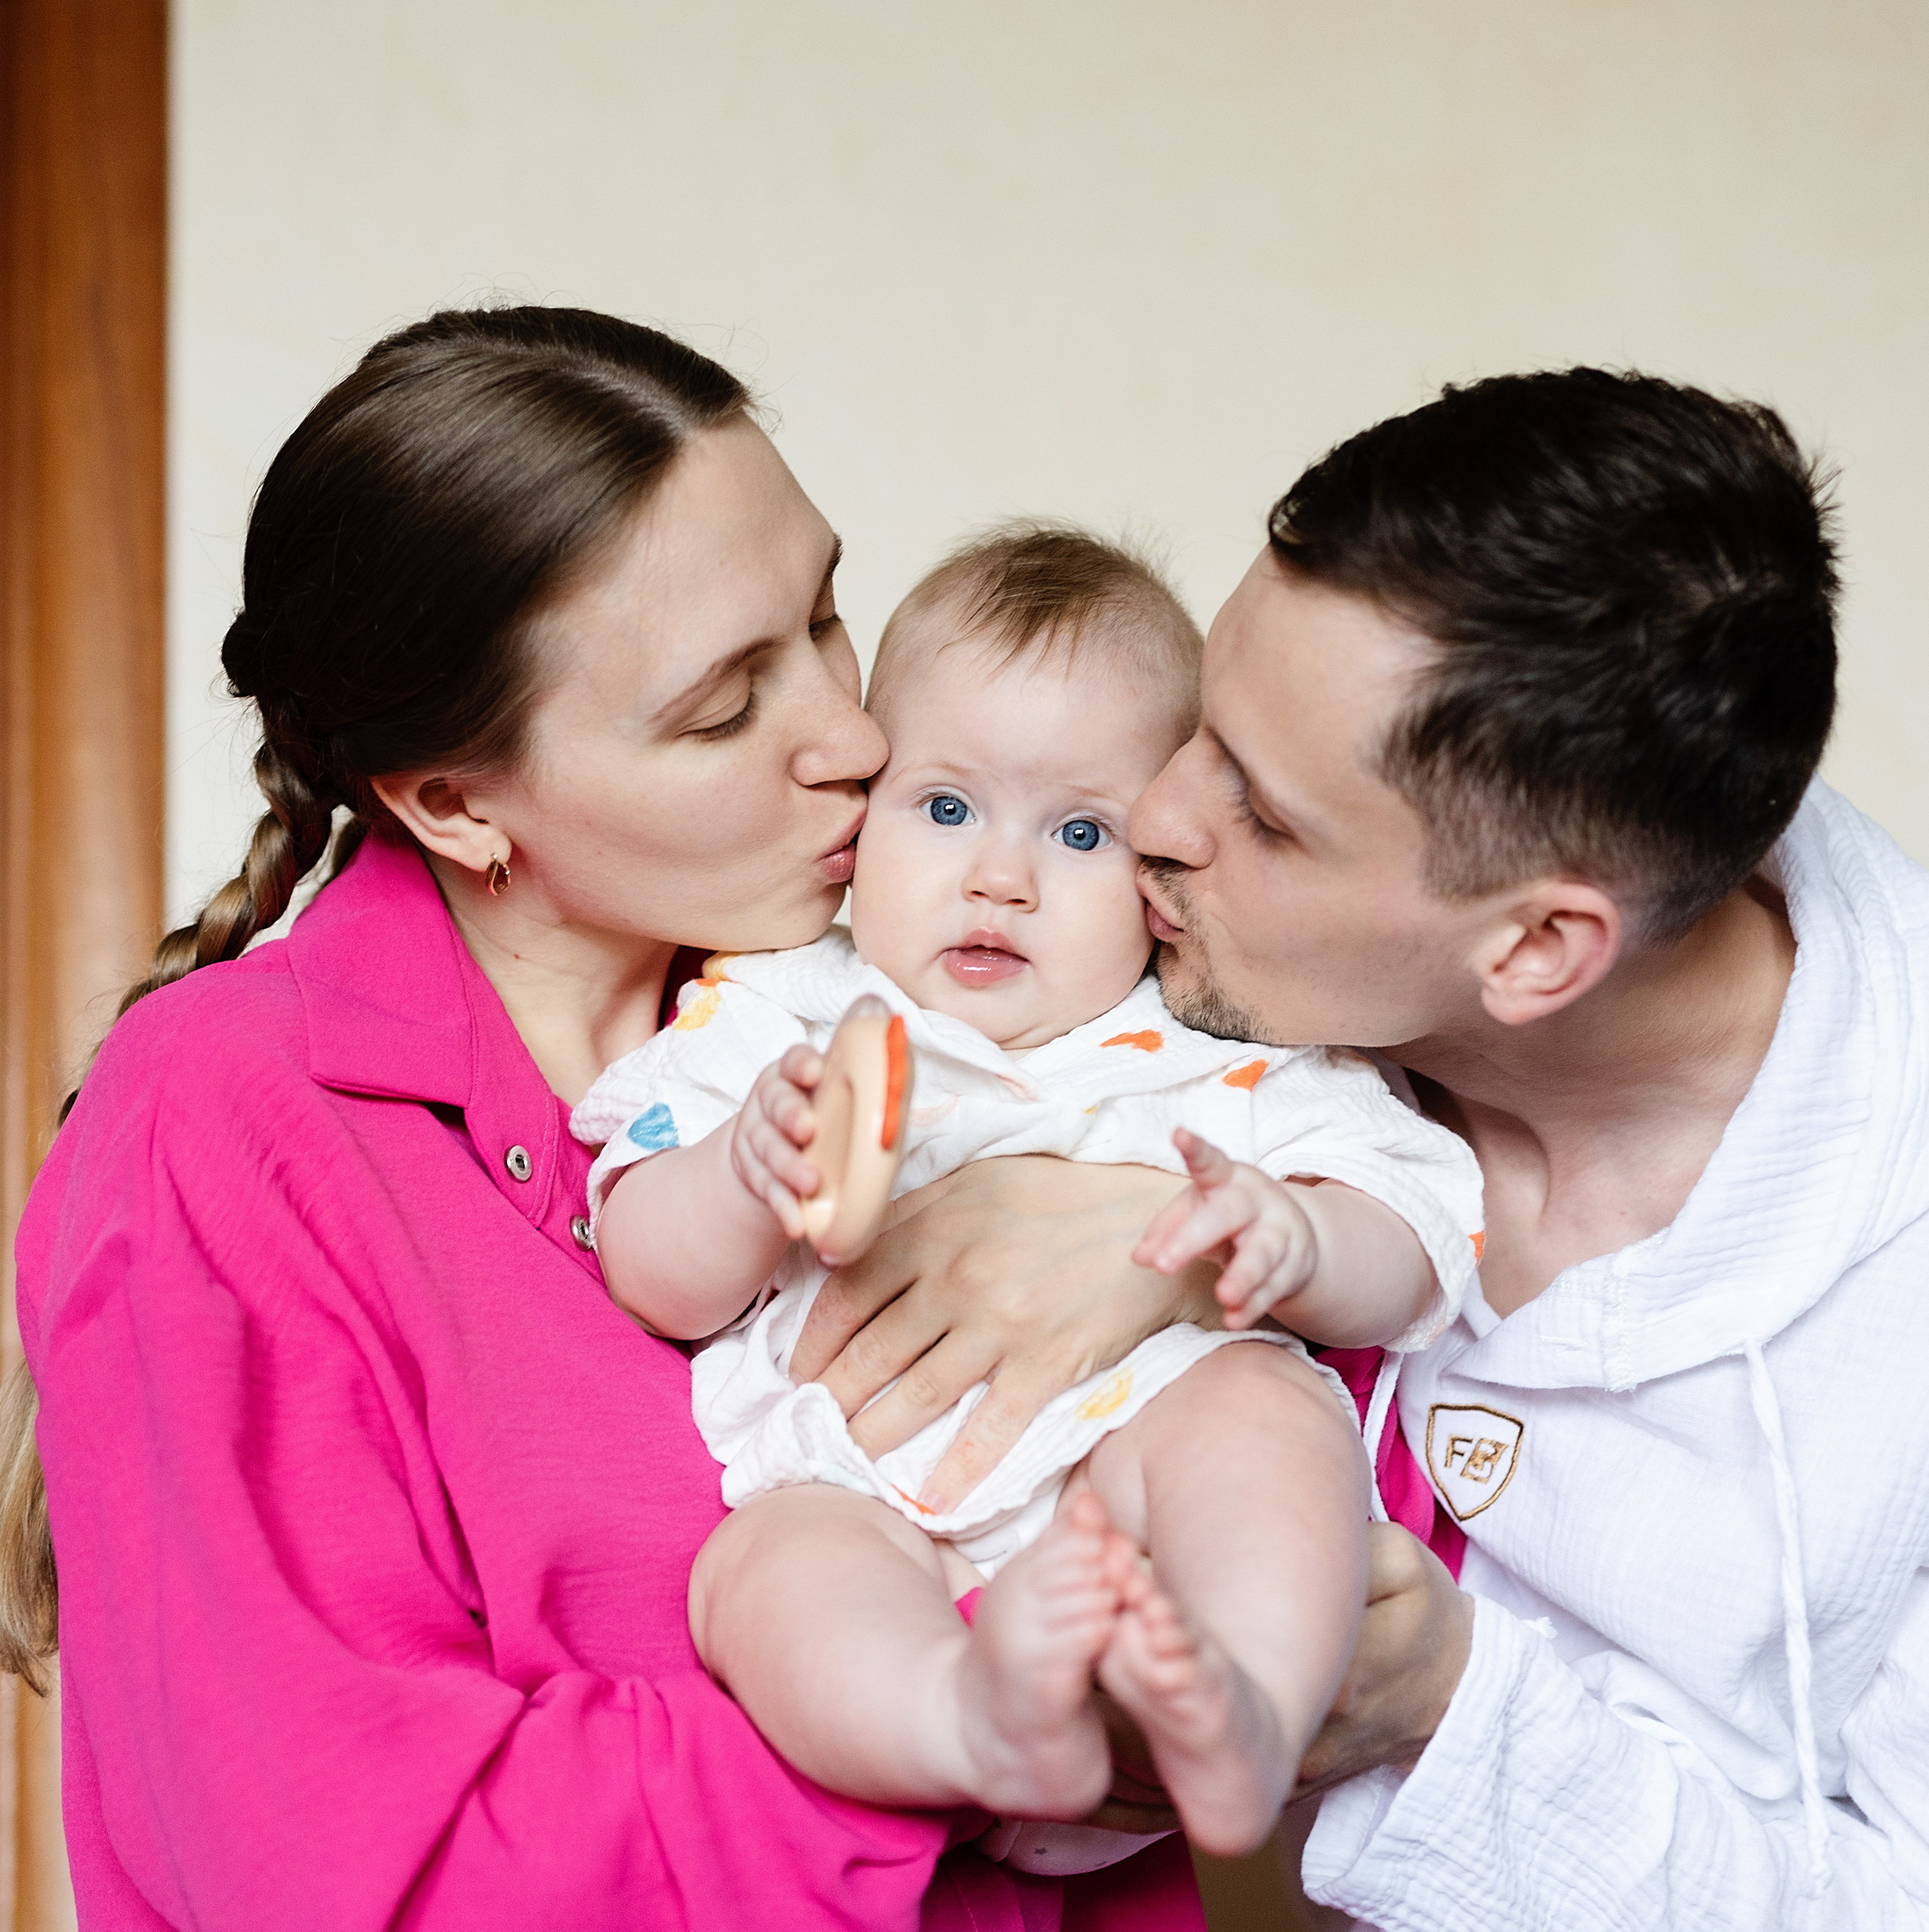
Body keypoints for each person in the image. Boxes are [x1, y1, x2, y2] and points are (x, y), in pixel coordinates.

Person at [0, 307, 1206, 1930]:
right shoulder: (224, 1120)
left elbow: (1363, 1509)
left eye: (828, 615)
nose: (853, 741)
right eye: (724, 709)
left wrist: (1150, 1251)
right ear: (455, 799)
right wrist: (956, 1747)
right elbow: (330, 1863)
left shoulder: (937, 980)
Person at [1118, 368, 1929, 1928]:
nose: (1153, 812)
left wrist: (1445, 1706)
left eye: (1266, 819)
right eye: (1198, 725)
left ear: (1541, 949)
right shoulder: (1206, 965)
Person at [577, 527, 1486, 1868]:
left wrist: (1299, 1238)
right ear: (861, 823)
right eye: (945, 809)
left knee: (1260, 1410)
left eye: (1078, 831)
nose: (1000, 876)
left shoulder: (1216, 1045)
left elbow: (1419, 1235)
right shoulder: (778, 1006)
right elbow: (645, 1267)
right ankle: (967, 1721)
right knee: (756, 1570)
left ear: (1164, 868)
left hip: (1141, 1512)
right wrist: (742, 1178)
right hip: (870, 1498)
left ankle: (1252, 1702)